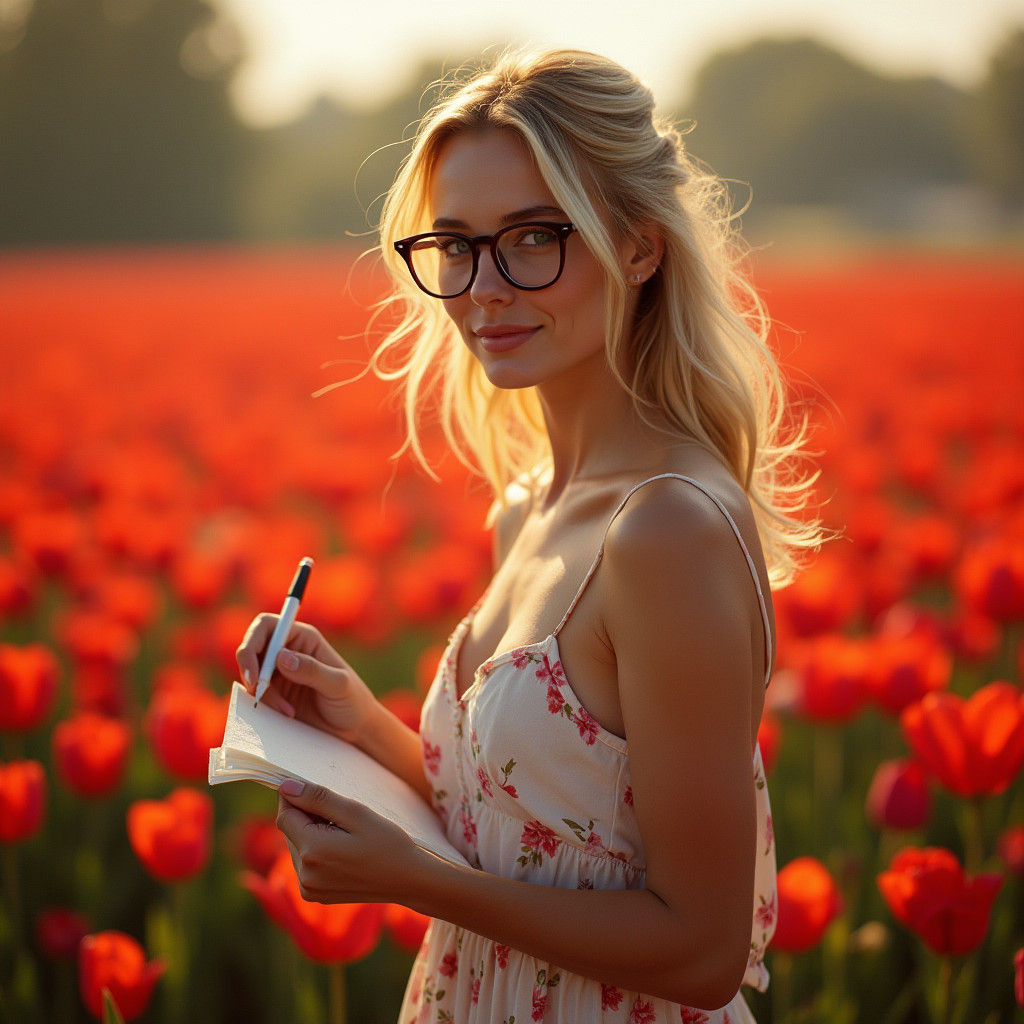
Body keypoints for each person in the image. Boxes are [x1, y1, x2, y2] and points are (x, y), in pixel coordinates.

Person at [236, 47, 824, 1023]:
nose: (484, 287)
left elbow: (703, 948)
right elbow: (528, 828)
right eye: (456, 244)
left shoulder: (665, 529)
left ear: (638, 249)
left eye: (533, 238)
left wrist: (415, 882)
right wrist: (358, 723)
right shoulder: (527, 503)